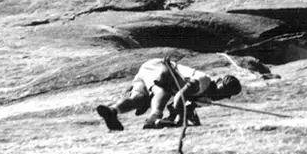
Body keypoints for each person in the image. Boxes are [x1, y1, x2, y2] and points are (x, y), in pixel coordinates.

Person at [95, 57, 242, 131]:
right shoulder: (203, 81)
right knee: (161, 92)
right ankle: (154, 117)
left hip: (148, 70)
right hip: (160, 67)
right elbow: (179, 97)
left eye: (225, 95)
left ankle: (112, 111)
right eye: (223, 92)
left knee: (138, 99)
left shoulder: (206, 97)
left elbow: (184, 108)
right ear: (218, 83)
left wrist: (189, 121)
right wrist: (177, 120)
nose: (221, 96)